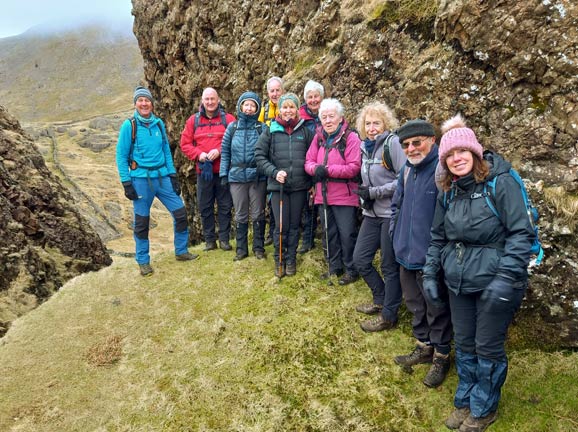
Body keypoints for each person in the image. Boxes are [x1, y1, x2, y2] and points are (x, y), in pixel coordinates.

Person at [422, 115, 534, 431]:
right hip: (458, 281)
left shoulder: (502, 182)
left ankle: (484, 408)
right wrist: (430, 275)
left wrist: (505, 279)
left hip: (496, 282)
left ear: (474, 153)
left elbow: (521, 234)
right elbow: (438, 236)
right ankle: (466, 399)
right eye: (449, 155)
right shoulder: (448, 190)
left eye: (462, 152)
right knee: (466, 343)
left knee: (487, 347)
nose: (456, 159)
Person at [390, 118, 452, 388]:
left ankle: (441, 355)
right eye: (406, 145)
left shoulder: (442, 170)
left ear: (432, 141)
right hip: (405, 251)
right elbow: (396, 205)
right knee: (415, 303)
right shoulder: (406, 170)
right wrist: (395, 234)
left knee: (436, 307)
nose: (412, 149)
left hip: (431, 256)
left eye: (417, 142)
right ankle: (423, 345)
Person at [115, 86, 198, 276]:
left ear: (152, 103)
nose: (144, 104)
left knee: (180, 213)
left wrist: (173, 175)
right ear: (135, 104)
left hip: (162, 178)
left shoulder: (159, 124)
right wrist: (126, 182)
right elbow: (121, 155)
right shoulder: (130, 126)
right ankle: (143, 261)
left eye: (147, 100)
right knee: (142, 223)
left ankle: (181, 251)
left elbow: (166, 152)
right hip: (141, 180)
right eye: (140, 100)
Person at [352, 102, 406, 332]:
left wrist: (375, 192)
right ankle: (381, 297)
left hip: (390, 214)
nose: (372, 127)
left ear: (386, 124)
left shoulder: (392, 144)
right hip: (371, 213)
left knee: (388, 265)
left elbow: (404, 179)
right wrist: (365, 195)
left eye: (376, 123)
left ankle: (389, 315)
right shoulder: (366, 147)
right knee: (360, 259)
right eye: (368, 123)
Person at [255, 92, 314, 277]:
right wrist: (274, 172)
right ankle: (279, 259)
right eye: (285, 107)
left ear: (297, 109)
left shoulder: (305, 131)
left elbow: (313, 157)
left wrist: (311, 183)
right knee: (281, 225)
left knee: (295, 225)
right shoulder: (270, 129)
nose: (288, 110)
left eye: (291, 107)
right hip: (277, 186)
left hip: (299, 186)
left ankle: (291, 260)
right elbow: (259, 155)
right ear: (279, 109)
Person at [305, 98, 361, 286]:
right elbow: (308, 162)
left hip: (345, 196)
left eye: (331, 116)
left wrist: (326, 170)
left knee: (347, 234)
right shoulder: (318, 137)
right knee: (330, 233)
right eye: (324, 117)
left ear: (340, 117)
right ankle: (334, 267)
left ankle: (351, 269)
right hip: (324, 195)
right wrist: (315, 170)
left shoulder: (350, 138)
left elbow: (354, 167)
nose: (327, 120)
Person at [180, 87, 236, 252]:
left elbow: (236, 141)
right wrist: (199, 155)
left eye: (213, 99)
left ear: (218, 100)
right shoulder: (193, 121)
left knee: (225, 206)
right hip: (203, 172)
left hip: (224, 171)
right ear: (202, 102)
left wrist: (219, 150)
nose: (210, 102)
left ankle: (224, 240)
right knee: (205, 206)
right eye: (207, 99)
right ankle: (210, 241)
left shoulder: (229, 119)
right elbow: (185, 144)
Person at [219, 92, 267, 261]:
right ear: (240, 106)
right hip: (237, 177)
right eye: (245, 104)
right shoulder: (232, 128)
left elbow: (267, 153)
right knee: (240, 214)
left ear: (257, 108)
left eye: (252, 105)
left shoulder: (262, 128)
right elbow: (225, 152)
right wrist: (224, 174)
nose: (248, 108)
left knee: (258, 213)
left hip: (257, 177)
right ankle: (241, 250)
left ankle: (258, 248)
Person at [298, 79, 324, 254]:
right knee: (308, 203)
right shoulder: (300, 118)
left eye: (316, 96)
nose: (313, 100)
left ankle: (326, 242)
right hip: (307, 163)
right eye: (310, 97)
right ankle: (307, 239)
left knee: (323, 202)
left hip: (325, 163)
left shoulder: (328, 113)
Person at [259, 76, 285, 246]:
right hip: (269, 159)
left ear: (283, 90)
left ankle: (283, 232)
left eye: (277, 90)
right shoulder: (265, 110)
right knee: (270, 197)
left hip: (284, 156)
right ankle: (273, 231)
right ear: (268, 93)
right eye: (272, 91)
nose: (275, 94)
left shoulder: (288, 106)